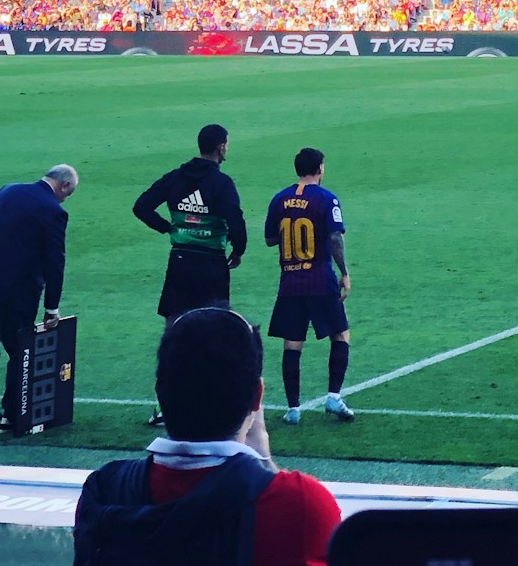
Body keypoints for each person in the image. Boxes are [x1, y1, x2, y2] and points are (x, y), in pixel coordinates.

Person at [73, 307, 340, 566]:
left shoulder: (104, 489)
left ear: (159, 395)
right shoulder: (299, 504)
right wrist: (264, 463)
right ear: (258, 397)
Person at [135, 124, 248, 426]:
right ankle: (211, 400)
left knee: (173, 331)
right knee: (214, 331)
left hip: (180, 262)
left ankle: (162, 405)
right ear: (221, 147)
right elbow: (235, 219)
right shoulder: (221, 183)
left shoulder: (176, 177)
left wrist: (168, 228)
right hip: (211, 264)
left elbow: (141, 206)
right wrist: (239, 250)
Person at [0, 165, 77, 429]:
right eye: (68, 194)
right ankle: (13, 413)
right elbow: (55, 262)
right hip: (15, 289)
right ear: (65, 186)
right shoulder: (54, 211)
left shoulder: (8, 190)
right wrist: (52, 307)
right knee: (19, 349)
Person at [265, 148, 353, 426]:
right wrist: (345, 273)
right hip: (319, 280)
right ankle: (334, 396)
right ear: (320, 169)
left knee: (292, 343)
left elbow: (269, 240)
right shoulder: (327, 199)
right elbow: (336, 238)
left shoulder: (279, 199)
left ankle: (292, 409)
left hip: (290, 281)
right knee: (340, 335)